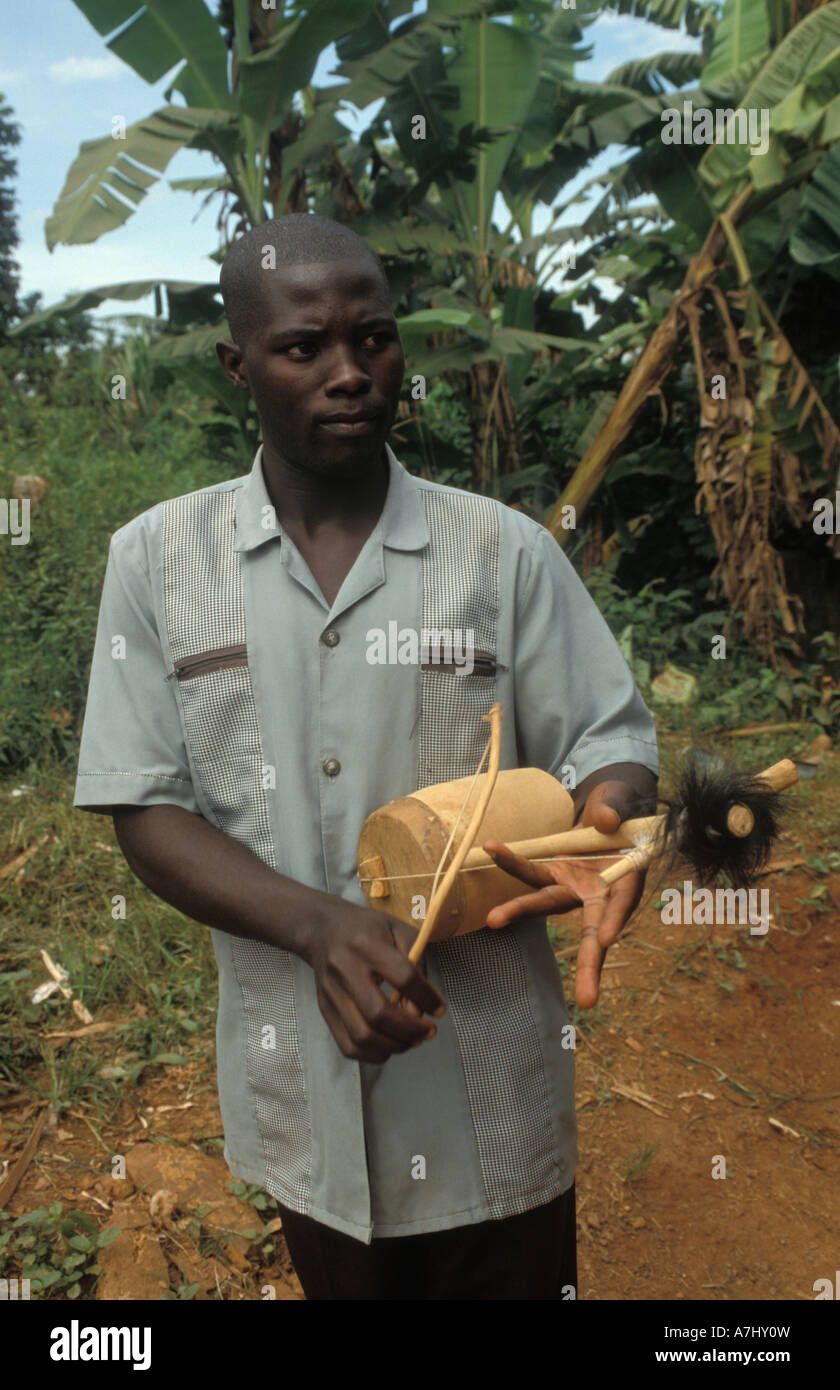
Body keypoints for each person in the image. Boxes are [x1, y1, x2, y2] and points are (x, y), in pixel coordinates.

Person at [74, 213, 659, 1300]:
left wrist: (606, 826)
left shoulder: (503, 554)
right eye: (304, 348)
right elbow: (143, 804)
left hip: (494, 1098)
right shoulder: (158, 562)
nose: (350, 372)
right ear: (237, 363)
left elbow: (610, 745)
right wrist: (315, 924)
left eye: (376, 339)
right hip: (301, 1102)